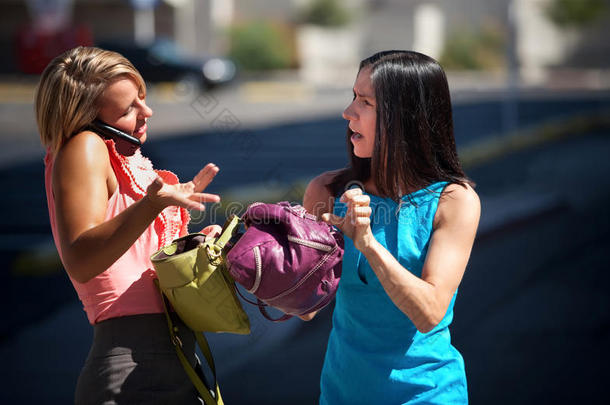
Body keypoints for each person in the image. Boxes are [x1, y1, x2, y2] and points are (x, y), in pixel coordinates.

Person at [36, 46, 222, 404]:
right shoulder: (85, 146)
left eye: (142, 98)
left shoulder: (117, 154)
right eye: (128, 109)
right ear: (87, 116)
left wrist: (198, 250)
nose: (147, 111)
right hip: (136, 368)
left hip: (170, 359)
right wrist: (152, 205)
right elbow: (81, 259)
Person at [302, 50, 480, 404]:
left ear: (407, 118)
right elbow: (305, 308)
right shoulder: (326, 191)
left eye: (365, 101)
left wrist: (368, 244)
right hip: (341, 394)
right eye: (353, 96)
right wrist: (259, 255)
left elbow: (429, 313)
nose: (348, 112)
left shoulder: (454, 201)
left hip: (428, 395)